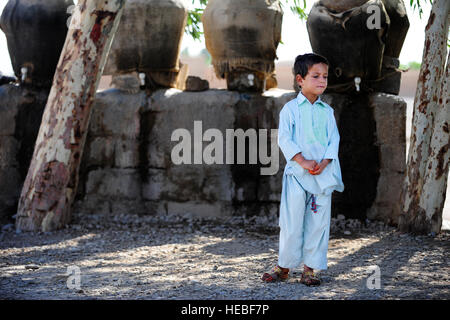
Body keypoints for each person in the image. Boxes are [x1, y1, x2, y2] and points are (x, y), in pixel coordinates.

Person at [261, 53, 344, 286]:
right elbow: (284, 139)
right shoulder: (290, 110)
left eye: (325, 76)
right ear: (300, 79)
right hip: (297, 175)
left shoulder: (327, 112)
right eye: (315, 76)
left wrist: (325, 162)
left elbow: (333, 141)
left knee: (318, 223)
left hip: (322, 177)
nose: (322, 81)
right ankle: (284, 266)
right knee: (292, 221)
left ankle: (310, 269)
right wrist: (302, 160)